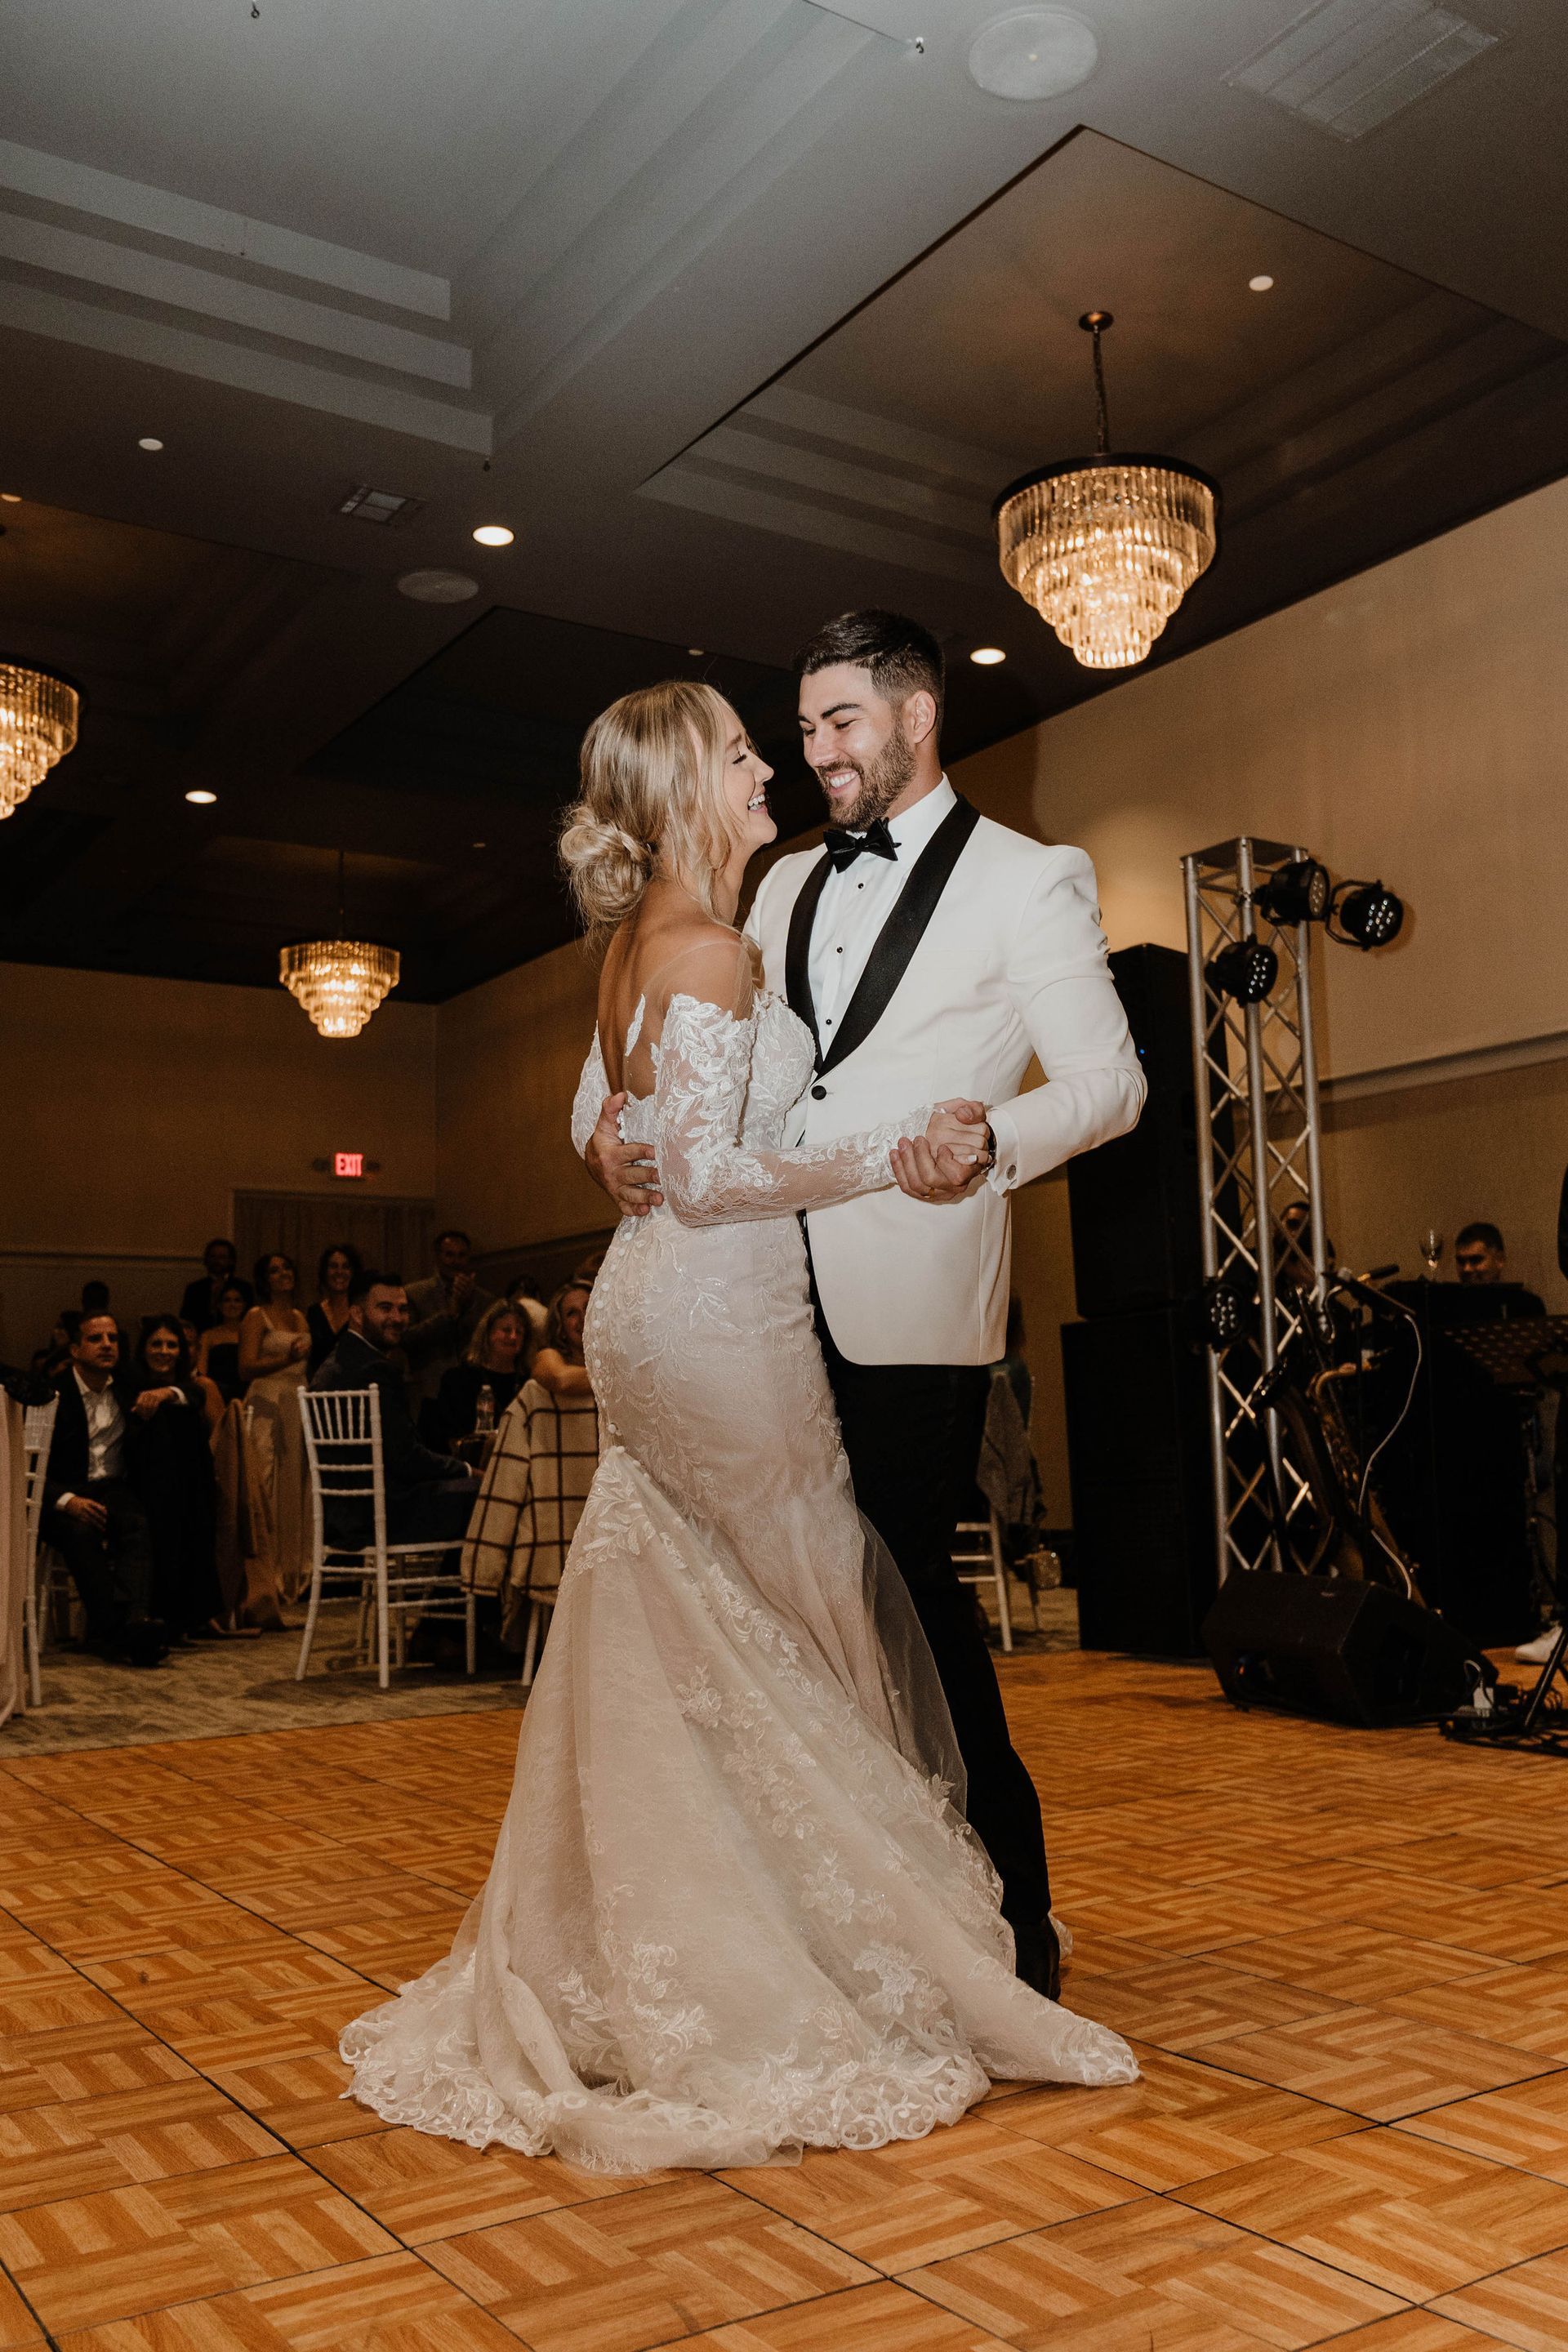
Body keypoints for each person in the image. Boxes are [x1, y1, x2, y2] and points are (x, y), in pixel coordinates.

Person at [338, 675, 1135, 2175]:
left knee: (714, 1617)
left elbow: (631, 1119)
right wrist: (880, 1162)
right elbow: (690, 1164)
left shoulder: (658, 936)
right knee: (812, 1601)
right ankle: (840, 1948)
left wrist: (630, 1157)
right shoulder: (705, 941)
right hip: (721, 1313)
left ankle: (738, 1926)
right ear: (684, 792)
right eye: (743, 751)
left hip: (672, 1311)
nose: (774, 762)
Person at [586, 611, 1143, 2003]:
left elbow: (1111, 1083)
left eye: (840, 722)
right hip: (750, 1301)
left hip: (910, 1287)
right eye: (803, 724)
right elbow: (664, 1054)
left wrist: (988, 1146)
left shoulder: (1031, 880)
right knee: (776, 1620)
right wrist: (597, 1138)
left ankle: (1004, 1923)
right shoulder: (767, 887)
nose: (814, 750)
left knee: (909, 1611)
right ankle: (835, 1923)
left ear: (914, 715)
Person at [310, 1270, 480, 1546]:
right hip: (378, 1514)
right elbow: (407, 1459)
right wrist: (469, 1469)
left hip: (342, 1513)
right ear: (356, 1313)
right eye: (385, 1308)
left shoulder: (336, 1363)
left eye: (403, 1310)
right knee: (489, 1494)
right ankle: (464, 1589)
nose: (398, 1319)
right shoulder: (374, 1370)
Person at [39, 1314, 170, 1666]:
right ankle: (120, 1630)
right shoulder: (51, 1393)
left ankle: (134, 1621)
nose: (108, 1345)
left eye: (113, 1338)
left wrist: (168, 1391)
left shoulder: (127, 1386)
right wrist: (67, 1501)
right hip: (60, 1497)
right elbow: (26, 1464)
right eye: (96, 1339)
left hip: (112, 1488)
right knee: (81, 1532)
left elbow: (193, 1388)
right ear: (76, 1349)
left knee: (137, 1523)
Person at [130, 1319, 227, 1639]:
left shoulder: (191, 1388)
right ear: (144, 1349)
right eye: (156, 1344)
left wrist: (165, 1393)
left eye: (171, 1345)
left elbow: (196, 1396)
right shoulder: (130, 1385)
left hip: (190, 1483)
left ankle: (190, 1616)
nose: (164, 1351)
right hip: (146, 1484)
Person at [238, 1251, 312, 1597]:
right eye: (275, 1270)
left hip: (297, 1399)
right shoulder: (257, 1316)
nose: (284, 1274)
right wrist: (286, 1358)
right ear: (264, 1279)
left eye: (287, 1267)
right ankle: (263, 1577)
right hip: (268, 1399)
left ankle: (293, 1571)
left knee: (294, 1485)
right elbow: (245, 1367)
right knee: (267, 1483)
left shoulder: (299, 1315)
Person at [403, 1232, 495, 1415]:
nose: (456, 1261)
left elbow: (487, 1341)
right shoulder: (414, 1293)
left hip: (473, 1390)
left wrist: (469, 1306)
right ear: (437, 1257)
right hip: (430, 1391)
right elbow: (407, 1339)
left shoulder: (484, 1299)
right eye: (449, 1255)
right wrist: (448, 1315)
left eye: (462, 1255)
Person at [427, 1299, 531, 1451]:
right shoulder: (458, 1379)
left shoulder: (528, 1381)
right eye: (507, 1330)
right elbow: (450, 1438)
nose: (513, 1337)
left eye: (519, 1332)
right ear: (488, 1333)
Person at [529, 1281, 593, 1402]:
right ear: (561, 1329)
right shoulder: (549, 1356)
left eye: (588, 1306)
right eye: (571, 1313)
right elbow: (561, 1380)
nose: (584, 1317)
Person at [307, 1241, 363, 1374]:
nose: (339, 1272)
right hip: (320, 1390)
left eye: (346, 1267)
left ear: (353, 1272)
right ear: (325, 1272)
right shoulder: (314, 1313)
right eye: (333, 1266)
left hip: (356, 1387)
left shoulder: (362, 1312)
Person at [180, 1240, 253, 1334]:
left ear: (231, 1260)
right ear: (206, 1259)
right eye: (213, 1256)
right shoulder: (194, 1288)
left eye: (222, 1257)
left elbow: (249, 1318)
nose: (217, 1261)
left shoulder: (243, 1287)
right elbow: (186, 1320)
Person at [196, 1279, 251, 1404]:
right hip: (217, 1392)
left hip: (248, 1391)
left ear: (244, 1305)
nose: (232, 1305)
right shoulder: (208, 1336)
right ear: (219, 1306)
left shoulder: (252, 1334)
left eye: (237, 1300)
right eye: (227, 1300)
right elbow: (201, 1371)